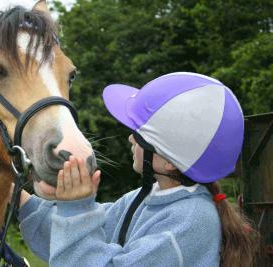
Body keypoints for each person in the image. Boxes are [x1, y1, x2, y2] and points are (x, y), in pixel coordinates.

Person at [16, 72, 258, 266]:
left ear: (170, 161)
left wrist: (76, 209)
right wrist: (14, 194)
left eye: (140, 134)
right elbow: (69, 237)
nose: (131, 138)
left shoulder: (190, 221)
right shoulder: (146, 199)